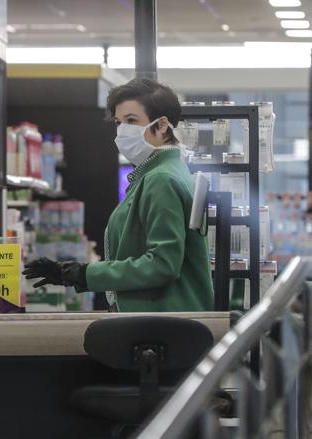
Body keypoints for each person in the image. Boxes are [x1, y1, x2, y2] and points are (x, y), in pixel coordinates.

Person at [23, 78, 213, 312]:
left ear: (162, 125)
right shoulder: (161, 173)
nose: (122, 131)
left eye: (132, 121)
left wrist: (81, 274)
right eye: (118, 122)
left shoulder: (161, 179)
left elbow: (162, 264)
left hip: (161, 320)